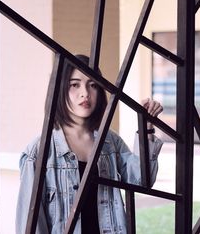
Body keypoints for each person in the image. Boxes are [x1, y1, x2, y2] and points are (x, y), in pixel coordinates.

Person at [15, 54, 163, 234]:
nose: (85, 92)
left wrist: (146, 128)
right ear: (60, 89)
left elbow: (142, 180)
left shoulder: (109, 142)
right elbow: (30, 224)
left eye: (92, 85)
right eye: (74, 84)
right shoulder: (39, 151)